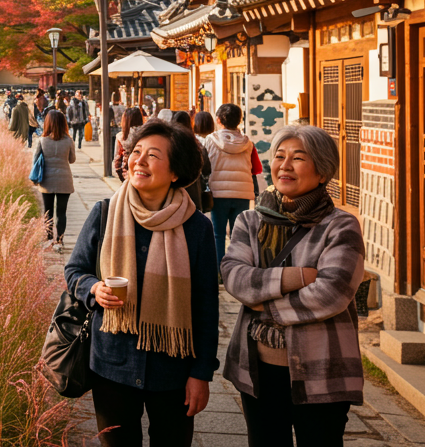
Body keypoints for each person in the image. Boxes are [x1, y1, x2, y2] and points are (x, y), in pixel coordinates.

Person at [64, 119, 219, 447]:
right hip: (111, 364)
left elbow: (206, 306)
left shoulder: (197, 227)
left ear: (175, 171)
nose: (139, 160)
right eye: (136, 152)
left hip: (173, 368)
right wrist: (94, 289)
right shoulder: (105, 212)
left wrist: (201, 373)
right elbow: (74, 271)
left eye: (153, 155)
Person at [222, 125, 365, 446]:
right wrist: (298, 277)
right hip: (257, 368)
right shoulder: (251, 221)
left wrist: (260, 302)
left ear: (323, 170)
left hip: (323, 370)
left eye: (298, 158)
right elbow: (233, 276)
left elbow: (331, 293)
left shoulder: (340, 226)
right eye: (279, 157)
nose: (284, 165)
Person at [205, 103, 259, 269]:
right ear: (239, 121)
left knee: (218, 235)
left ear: (219, 120)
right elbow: (255, 168)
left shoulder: (211, 140)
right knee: (238, 235)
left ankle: (219, 271)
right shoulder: (248, 143)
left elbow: (205, 167)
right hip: (242, 193)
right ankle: (237, 269)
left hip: (219, 194)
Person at [33, 110, 76, 250]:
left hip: (47, 180)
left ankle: (49, 238)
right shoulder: (69, 141)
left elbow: (35, 161)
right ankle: (60, 240)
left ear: (48, 123)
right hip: (65, 179)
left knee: (48, 211)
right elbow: (72, 160)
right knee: (62, 212)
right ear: (63, 124)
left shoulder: (42, 140)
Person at [171, 110, 212, 212]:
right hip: (193, 192)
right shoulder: (196, 145)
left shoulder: (169, 145)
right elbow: (207, 169)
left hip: (172, 192)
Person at [114, 107, 145, 181]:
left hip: (127, 172)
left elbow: (117, 159)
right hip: (143, 171)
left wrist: (121, 174)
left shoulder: (121, 136)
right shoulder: (145, 134)